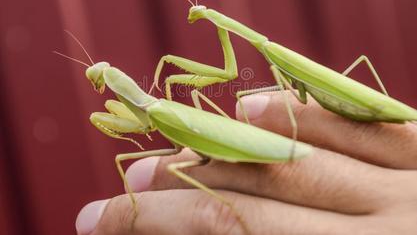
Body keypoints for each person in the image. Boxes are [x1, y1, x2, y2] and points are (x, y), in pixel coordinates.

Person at [75, 92, 417, 234]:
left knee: (130, 160)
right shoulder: (156, 106)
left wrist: (222, 210)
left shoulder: (156, 107)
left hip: (236, 145)